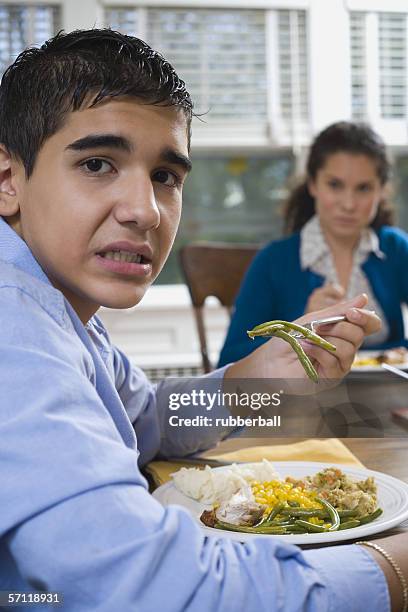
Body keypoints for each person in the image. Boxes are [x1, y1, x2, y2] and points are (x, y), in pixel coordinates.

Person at [0, 28, 405, 612]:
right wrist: (395, 565)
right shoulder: (15, 328)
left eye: (166, 176)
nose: (144, 211)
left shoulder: (61, 308)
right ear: (8, 180)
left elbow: (142, 419)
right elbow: (162, 591)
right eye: (96, 163)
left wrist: (252, 383)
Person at [219, 121, 408, 367]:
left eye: (363, 188)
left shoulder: (395, 248)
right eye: (335, 185)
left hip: (389, 400)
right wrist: (300, 330)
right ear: (312, 184)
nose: (348, 203)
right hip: (302, 402)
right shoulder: (273, 261)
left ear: (381, 191)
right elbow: (229, 362)